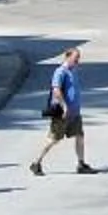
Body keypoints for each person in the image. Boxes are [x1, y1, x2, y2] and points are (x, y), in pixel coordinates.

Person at [28, 47, 91, 177]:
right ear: (67, 57)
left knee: (79, 135)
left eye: (78, 58)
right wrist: (64, 106)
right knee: (54, 139)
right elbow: (56, 90)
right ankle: (36, 162)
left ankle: (81, 163)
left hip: (74, 112)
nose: (78, 61)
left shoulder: (72, 71)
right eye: (75, 58)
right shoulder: (60, 72)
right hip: (63, 113)